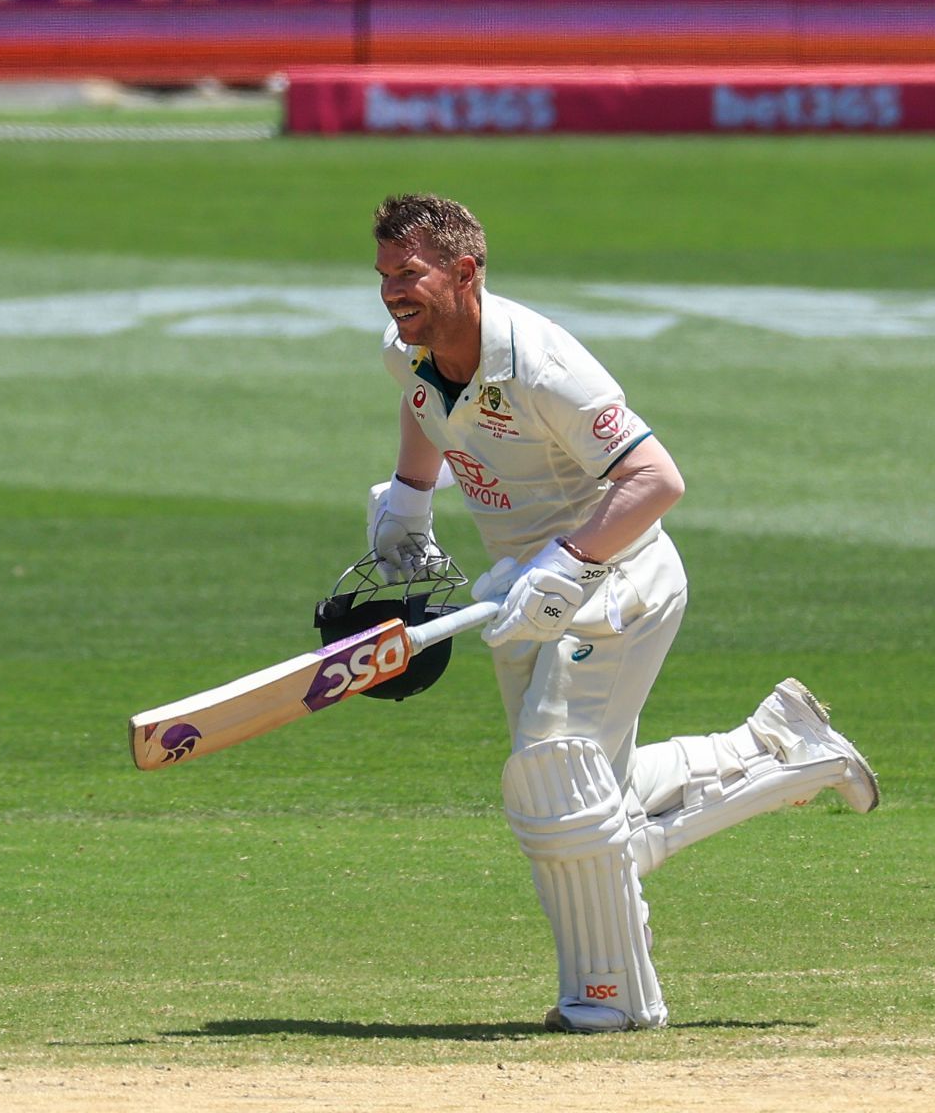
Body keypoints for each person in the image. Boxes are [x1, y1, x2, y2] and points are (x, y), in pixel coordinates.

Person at [365, 193, 879, 1034]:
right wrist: (410, 501)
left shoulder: (543, 365)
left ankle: (610, 999)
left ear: (465, 272)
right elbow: (426, 406)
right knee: (586, 798)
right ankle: (782, 750)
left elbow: (656, 481)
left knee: (554, 783)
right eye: (384, 274)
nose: (393, 291)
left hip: (617, 583)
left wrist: (567, 563)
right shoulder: (409, 349)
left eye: (410, 273)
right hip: (521, 592)